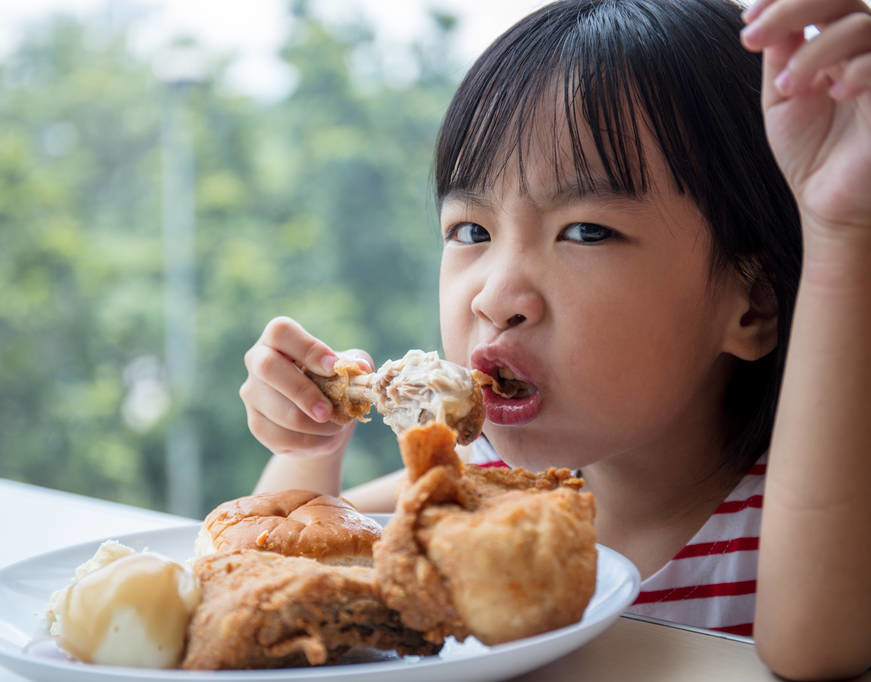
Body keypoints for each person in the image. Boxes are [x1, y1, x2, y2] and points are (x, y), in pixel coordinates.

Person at [238, 0, 871, 678]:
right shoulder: (472, 490)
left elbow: (813, 651)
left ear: (753, 309)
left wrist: (840, 230)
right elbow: (275, 568)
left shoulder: (818, 511)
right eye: (470, 232)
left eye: (586, 231)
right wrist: (311, 443)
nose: (494, 297)